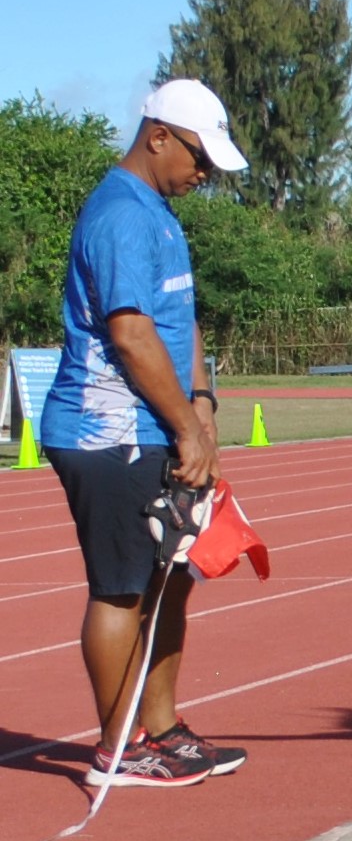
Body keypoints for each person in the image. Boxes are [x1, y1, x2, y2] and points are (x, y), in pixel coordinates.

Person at [39, 81, 250, 788]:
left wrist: (201, 400)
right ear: (158, 134)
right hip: (108, 433)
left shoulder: (157, 213)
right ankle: (117, 748)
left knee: (170, 582)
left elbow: (176, 317)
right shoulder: (119, 216)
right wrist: (187, 429)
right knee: (123, 588)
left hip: (151, 424)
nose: (205, 175)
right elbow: (130, 336)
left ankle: (161, 730)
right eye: (201, 158)